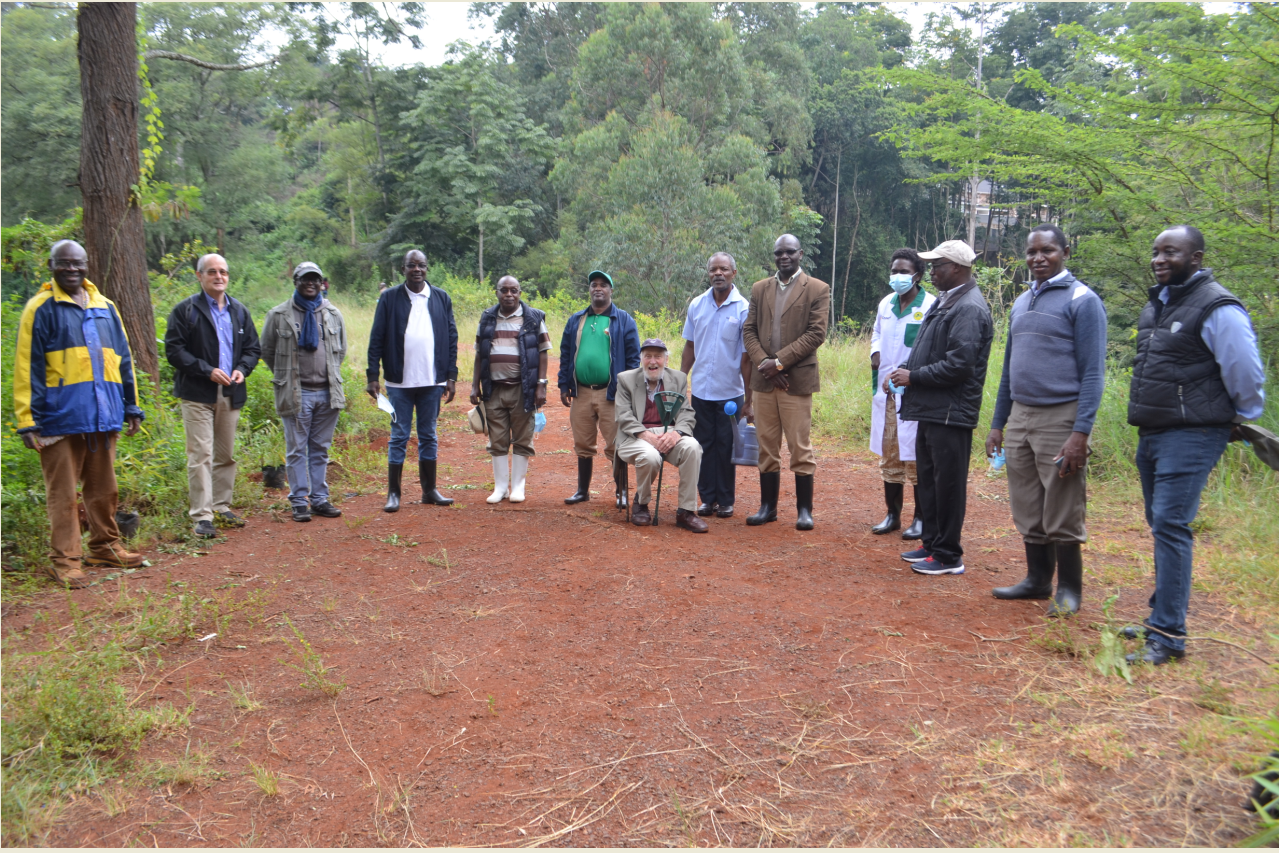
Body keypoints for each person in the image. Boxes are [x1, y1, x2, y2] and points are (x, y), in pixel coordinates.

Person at [1122, 225, 1265, 665]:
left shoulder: (1218, 306)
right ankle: (1159, 615)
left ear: (1196, 258)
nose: (1159, 259)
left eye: (1171, 252)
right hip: (1154, 430)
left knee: (1171, 524)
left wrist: (1239, 416)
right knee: (1160, 523)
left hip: (1194, 433)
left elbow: (1245, 371)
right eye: (1156, 252)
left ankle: (1168, 635)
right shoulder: (1159, 304)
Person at [987, 226, 1107, 616]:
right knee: (1026, 501)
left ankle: (1069, 590)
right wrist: (998, 423)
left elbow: (1093, 374)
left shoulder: (1083, 300)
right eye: (1032, 251)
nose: (1038, 258)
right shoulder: (1022, 301)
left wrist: (1080, 433)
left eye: (1048, 250)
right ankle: (1037, 580)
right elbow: (1009, 370)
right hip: (1021, 414)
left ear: (1065, 252)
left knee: (1062, 503)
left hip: (1061, 415)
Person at [13, 240, 146, 587]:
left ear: (87, 266)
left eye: (77, 263)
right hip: (58, 418)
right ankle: (66, 561)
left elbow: (123, 360)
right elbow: (27, 366)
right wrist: (27, 420)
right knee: (63, 494)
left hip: (102, 415)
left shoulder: (105, 307)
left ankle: (105, 547)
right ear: (51, 266)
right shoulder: (40, 308)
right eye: (64, 263)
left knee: (104, 489)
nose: (71, 269)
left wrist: (131, 405)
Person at [888, 239, 993, 576]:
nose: (931, 272)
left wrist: (914, 377)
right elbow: (927, 349)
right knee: (931, 480)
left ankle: (948, 555)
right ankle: (932, 543)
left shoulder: (969, 308)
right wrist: (905, 368)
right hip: (932, 408)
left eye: (937, 266)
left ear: (957, 268)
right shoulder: (947, 300)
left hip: (951, 412)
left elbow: (960, 365)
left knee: (948, 485)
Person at [165, 253, 261, 538]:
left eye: (223, 272)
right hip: (197, 392)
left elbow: (252, 349)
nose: (219, 277)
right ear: (199, 276)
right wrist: (206, 370)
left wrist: (242, 369)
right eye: (212, 272)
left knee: (225, 453)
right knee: (200, 454)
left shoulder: (239, 311)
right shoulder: (185, 311)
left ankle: (221, 506)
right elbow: (174, 351)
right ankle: (202, 516)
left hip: (230, 391)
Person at [742, 234, 831, 530]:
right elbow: (749, 330)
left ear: (800, 254)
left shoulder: (817, 288)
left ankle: (804, 511)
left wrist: (778, 362)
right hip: (764, 382)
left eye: (789, 252)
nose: (784, 257)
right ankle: (767, 508)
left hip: (796, 381)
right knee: (766, 446)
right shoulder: (759, 288)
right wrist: (765, 365)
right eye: (779, 252)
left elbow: (816, 334)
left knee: (799, 446)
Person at [366, 249, 458, 513]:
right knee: (399, 435)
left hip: (432, 382)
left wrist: (451, 376)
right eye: (411, 265)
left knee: (428, 434)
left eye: (421, 265)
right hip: (399, 383)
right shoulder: (389, 298)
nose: (417, 269)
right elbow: (377, 337)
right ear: (403, 269)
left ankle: (430, 491)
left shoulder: (440, 297)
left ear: (427, 268)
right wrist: (373, 375)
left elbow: (451, 337)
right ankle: (394, 493)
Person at [261, 262, 348, 523]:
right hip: (296, 393)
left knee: (320, 449)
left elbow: (341, 350)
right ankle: (299, 502)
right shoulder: (279, 314)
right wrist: (286, 376)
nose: (310, 283)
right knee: (297, 450)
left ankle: (319, 499)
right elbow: (267, 351)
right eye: (305, 279)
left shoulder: (332, 314)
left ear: (322, 283)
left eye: (315, 279)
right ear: (295, 282)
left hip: (327, 393)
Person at [557, 270, 641, 506]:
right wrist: (564, 384)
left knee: (616, 443)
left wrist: (629, 391)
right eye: (594, 284)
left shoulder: (623, 320)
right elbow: (566, 354)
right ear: (589, 290)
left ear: (611, 290)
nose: (598, 288)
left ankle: (621, 492)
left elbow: (634, 358)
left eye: (603, 285)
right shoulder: (576, 320)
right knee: (583, 442)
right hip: (581, 391)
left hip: (611, 394)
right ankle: (582, 491)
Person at [869, 248, 936, 539]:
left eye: (904, 272)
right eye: (894, 271)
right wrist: (875, 352)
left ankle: (920, 518)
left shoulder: (931, 305)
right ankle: (892, 515)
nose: (898, 276)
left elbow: (932, 347)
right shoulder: (886, 304)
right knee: (890, 454)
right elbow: (877, 333)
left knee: (915, 456)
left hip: (915, 392)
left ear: (917, 275)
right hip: (887, 392)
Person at [680, 252, 753, 519]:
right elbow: (690, 346)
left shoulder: (743, 309)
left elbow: (746, 359)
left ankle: (725, 500)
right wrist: (680, 381)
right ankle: (707, 499)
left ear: (734, 273)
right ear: (708, 273)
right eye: (713, 269)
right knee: (702, 445)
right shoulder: (697, 305)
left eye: (723, 269)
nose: (718, 273)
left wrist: (749, 400)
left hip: (730, 393)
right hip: (701, 391)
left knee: (726, 447)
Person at [470, 275, 551, 504]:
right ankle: (500, 488)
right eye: (504, 290)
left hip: (523, 388)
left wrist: (541, 385)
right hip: (493, 388)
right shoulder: (487, 318)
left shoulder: (533, 318)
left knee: (523, 437)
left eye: (513, 290)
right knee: (497, 438)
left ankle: (517, 487)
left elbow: (543, 352)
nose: (508, 294)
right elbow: (479, 354)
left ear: (520, 293)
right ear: (496, 293)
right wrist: (474, 385)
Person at [614, 339, 706, 532]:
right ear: (641, 359)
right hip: (635, 436)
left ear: (666, 359)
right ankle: (641, 503)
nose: (653, 361)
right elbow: (623, 415)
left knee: (692, 447)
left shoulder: (678, 378)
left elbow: (686, 412)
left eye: (658, 356)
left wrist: (676, 434)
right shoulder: (625, 379)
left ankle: (686, 512)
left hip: (668, 434)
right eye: (648, 356)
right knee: (650, 456)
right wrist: (647, 436)